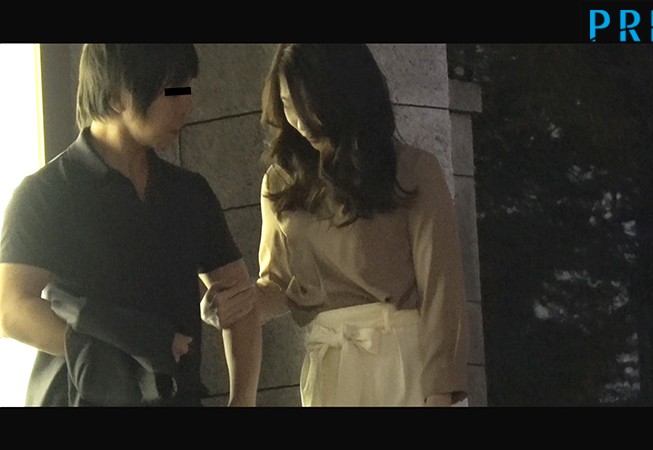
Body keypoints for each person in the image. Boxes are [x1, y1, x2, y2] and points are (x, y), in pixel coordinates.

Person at [202, 43, 469, 406]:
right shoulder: (281, 183)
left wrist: (440, 396)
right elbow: (278, 285)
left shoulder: (412, 171)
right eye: (288, 104)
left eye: (310, 103)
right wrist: (234, 305)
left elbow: (443, 294)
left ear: (345, 92)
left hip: (403, 365)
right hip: (329, 367)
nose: (300, 120)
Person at [0, 44, 261, 407]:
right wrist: (115, 351)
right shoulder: (46, 194)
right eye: (172, 90)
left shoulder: (189, 192)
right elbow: (10, 309)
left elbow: (240, 298)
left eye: (187, 88)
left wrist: (242, 400)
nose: (187, 104)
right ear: (116, 96)